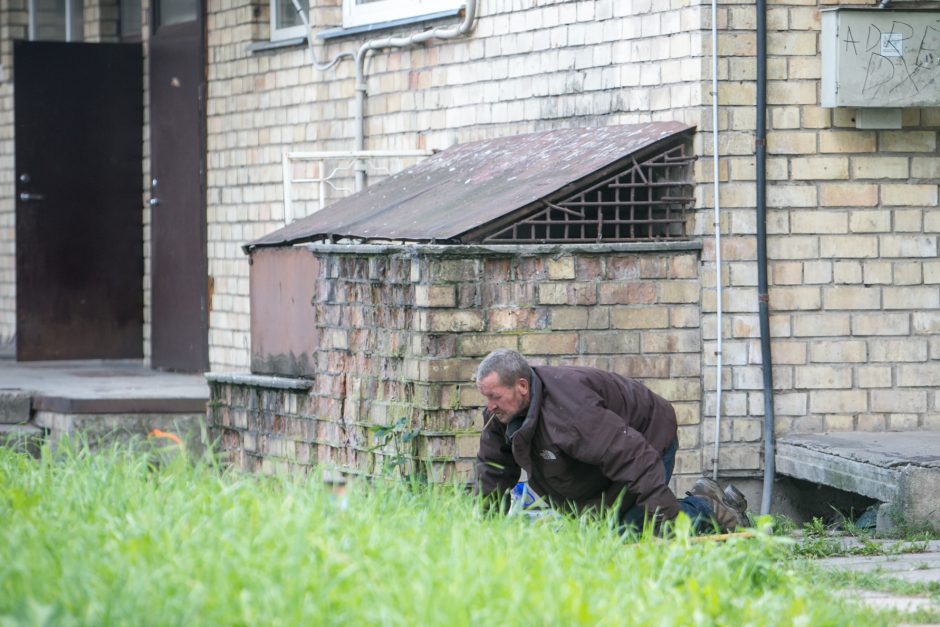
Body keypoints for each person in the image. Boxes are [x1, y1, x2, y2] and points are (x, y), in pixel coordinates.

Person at [473, 349, 748, 533]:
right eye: (486, 398)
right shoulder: (501, 415)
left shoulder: (573, 412)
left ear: (522, 386)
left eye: (495, 397)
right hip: (607, 464)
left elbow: (634, 457)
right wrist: (485, 530)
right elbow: (492, 470)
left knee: (631, 530)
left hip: (647, 438)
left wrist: (669, 524)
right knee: (606, 535)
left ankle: (709, 509)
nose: (490, 406)